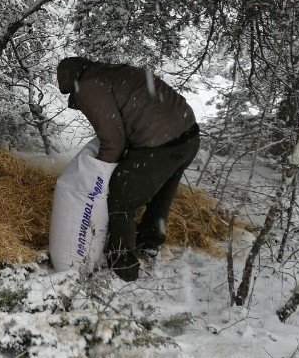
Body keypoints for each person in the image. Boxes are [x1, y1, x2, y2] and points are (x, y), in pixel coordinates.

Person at [56, 57, 200, 282]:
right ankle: (149, 245)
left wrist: (99, 172)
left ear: (69, 82)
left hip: (159, 145)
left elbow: (114, 141)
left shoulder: (87, 86)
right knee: (160, 195)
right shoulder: (111, 72)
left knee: (120, 198)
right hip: (188, 136)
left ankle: (123, 265)